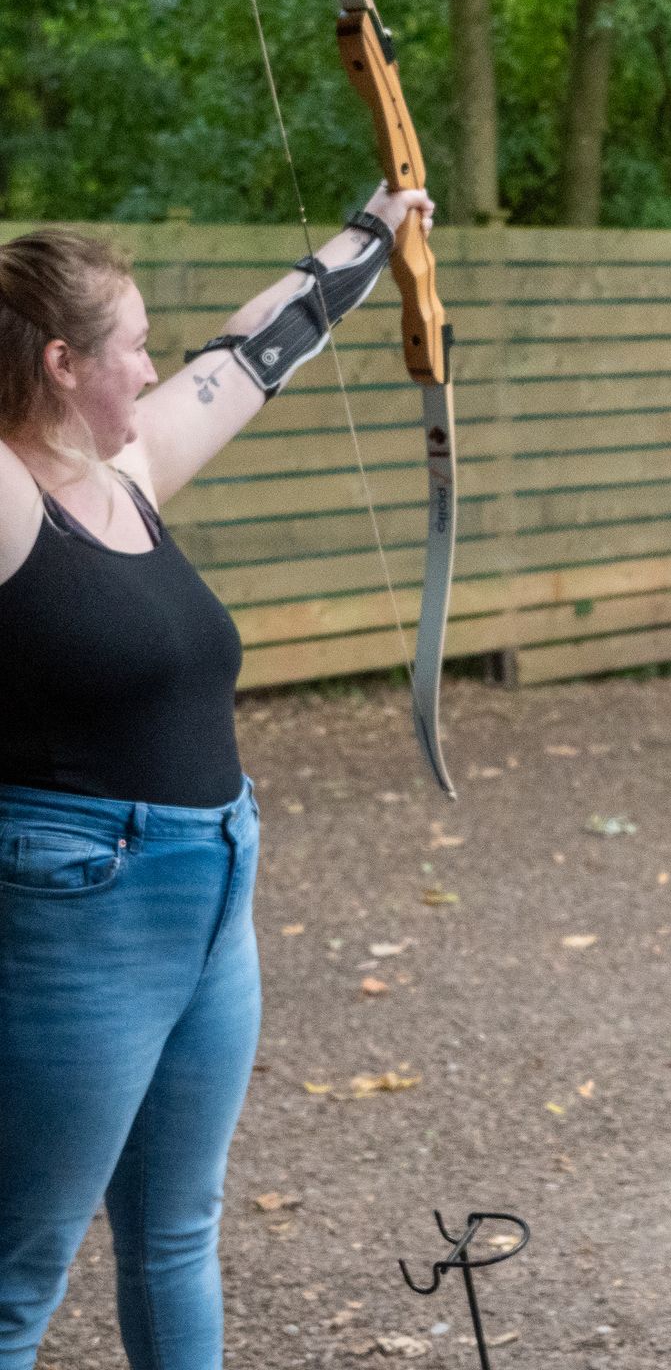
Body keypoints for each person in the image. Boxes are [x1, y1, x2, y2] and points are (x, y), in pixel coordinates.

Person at [0, 183, 433, 1370]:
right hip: (76, 908)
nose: (150, 368)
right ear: (56, 361)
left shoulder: (126, 470)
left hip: (212, 894)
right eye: (131, 345)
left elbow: (251, 355)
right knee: (15, 1273)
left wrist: (373, 231)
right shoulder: (6, 495)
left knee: (177, 1234)